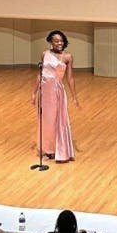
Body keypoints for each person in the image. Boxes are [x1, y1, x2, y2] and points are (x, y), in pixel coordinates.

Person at [32, 30, 79, 162]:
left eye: (61, 40)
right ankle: (48, 149)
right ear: (50, 42)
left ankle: (60, 149)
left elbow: (70, 79)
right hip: (44, 92)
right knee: (46, 121)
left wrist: (74, 96)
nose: (59, 43)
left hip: (56, 91)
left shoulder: (67, 57)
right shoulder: (45, 54)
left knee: (57, 120)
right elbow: (39, 74)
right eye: (56, 41)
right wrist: (34, 92)